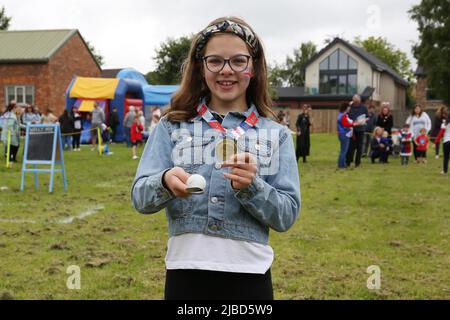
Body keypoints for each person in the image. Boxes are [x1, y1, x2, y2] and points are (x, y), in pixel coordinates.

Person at [131, 17, 300, 300]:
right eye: (215, 61)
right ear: (200, 67)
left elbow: (286, 216)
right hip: (185, 273)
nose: (226, 71)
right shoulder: (172, 126)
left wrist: (252, 187)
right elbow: (139, 198)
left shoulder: (276, 134)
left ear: (254, 67)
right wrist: (164, 182)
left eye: (238, 61)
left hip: (250, 276)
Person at [337, 102, 364, 169]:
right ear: (346, 108)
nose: (350, 108)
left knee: (343, 150)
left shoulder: (343, 115)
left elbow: (350, 122)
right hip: (344, 134)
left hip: (343, 134)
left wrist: (357, 122)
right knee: (344, 151)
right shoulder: (343, 116)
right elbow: (346, 124)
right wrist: (356, 124)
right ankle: (341, 165)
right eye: (349, 107)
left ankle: (342, 164)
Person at [346, 94, 369, 168]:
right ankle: (348, 161)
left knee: (359, 147)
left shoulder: (364, 107)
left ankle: (357, 163)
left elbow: (367, 117)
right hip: (351, 129)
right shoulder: (350, 107)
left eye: (357, 101)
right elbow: (345, 115)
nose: (355, 103)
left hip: (361, 129)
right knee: (350, 147)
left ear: (359, 101)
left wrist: (363, 120)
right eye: (354, 101)